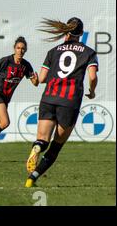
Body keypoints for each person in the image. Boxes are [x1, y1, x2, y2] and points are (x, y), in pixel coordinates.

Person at [25, 17, 98, 187]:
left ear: (66, 31)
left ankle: (36, 148)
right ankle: (32, 178)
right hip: (69, 102)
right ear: (81, 34)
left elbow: (41, 79)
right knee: (56, 146)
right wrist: (92, 91)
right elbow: (92, 76)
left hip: (48, 98)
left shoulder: (53, 51)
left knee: (42, 139)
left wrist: (33, 78)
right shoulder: (88, 52)